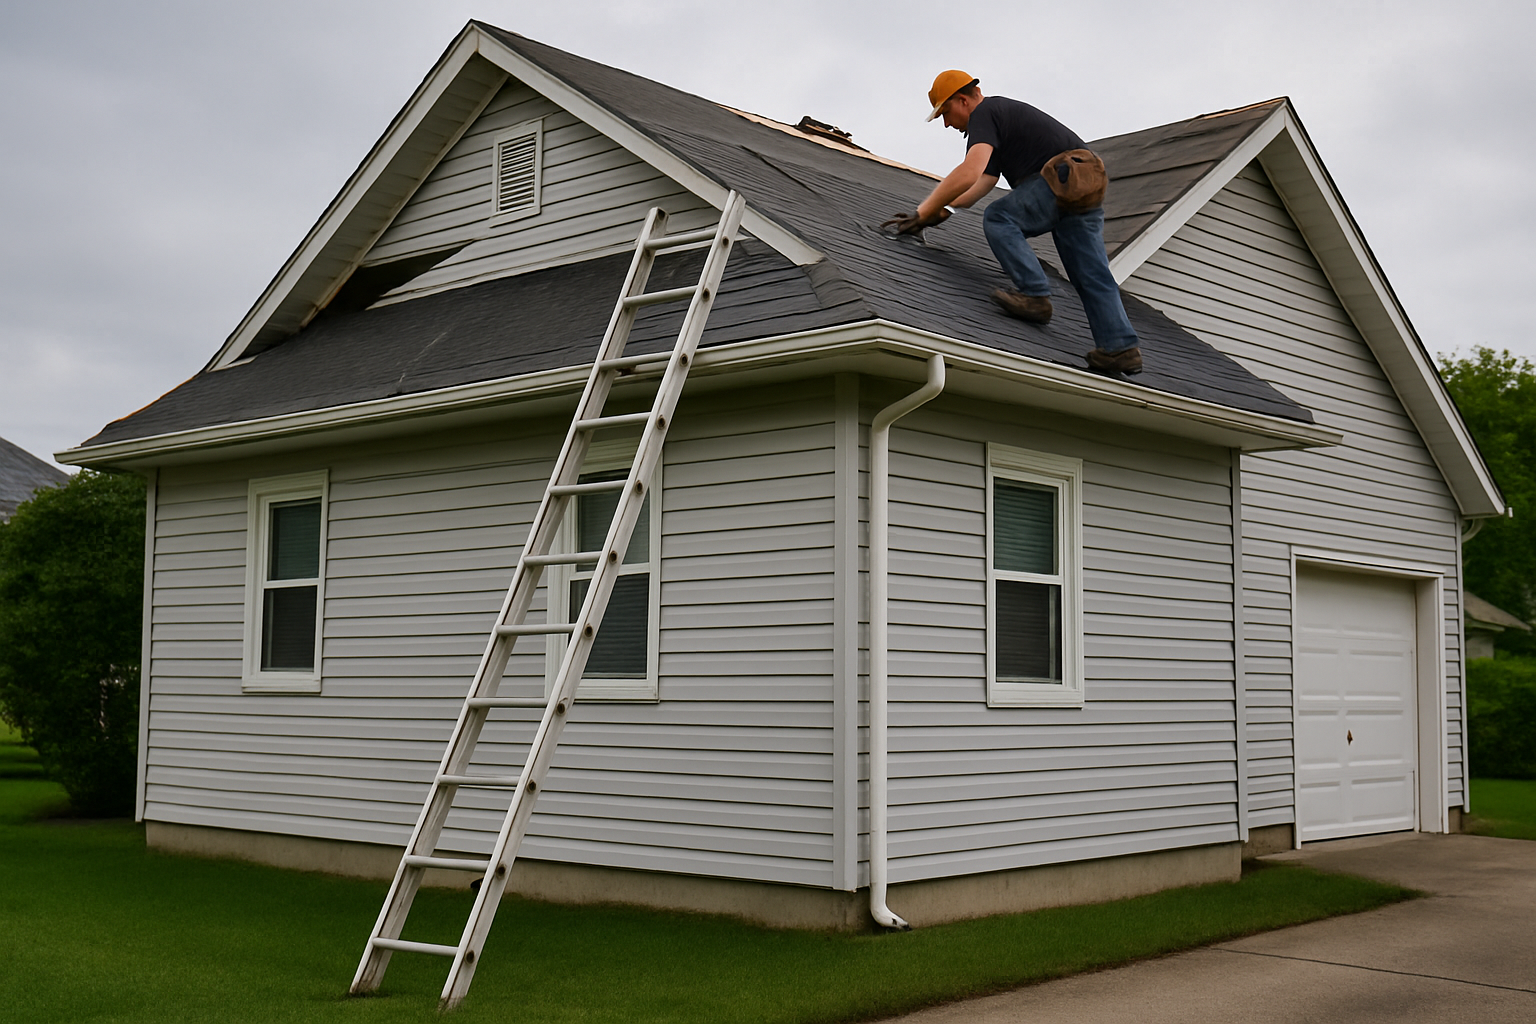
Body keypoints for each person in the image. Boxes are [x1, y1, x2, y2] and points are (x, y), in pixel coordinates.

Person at [884, 71, 1142, 376]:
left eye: (945, 113)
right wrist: (941, 213)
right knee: (1090, 271)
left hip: (1058, 174)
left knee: (999, 217)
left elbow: (969, 171)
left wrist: (923, 210)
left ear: (963, 100)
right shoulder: (1000, 122)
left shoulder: (985, 113)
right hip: (1085, 181)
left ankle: (1034, 295)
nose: (946, 123)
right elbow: (982, 182)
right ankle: (1119, 348)